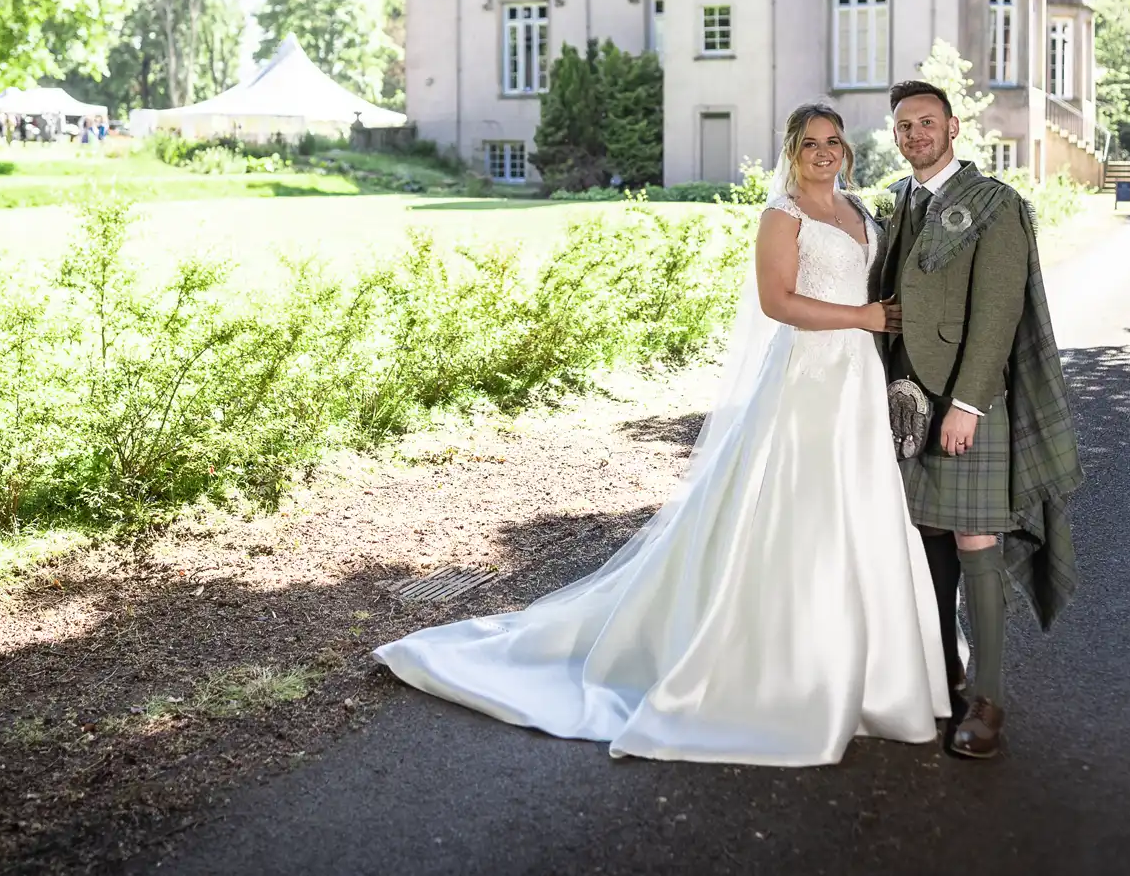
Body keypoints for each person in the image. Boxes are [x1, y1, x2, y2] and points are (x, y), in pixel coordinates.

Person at [375, 103, 948, 764]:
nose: (824, 151)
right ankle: (788, 670)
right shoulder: (782, 215)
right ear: (792, 152)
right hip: (806, 382)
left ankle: (879, 669)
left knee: (861, 512)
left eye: (834, 141)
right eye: (811, 142)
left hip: (856, 379)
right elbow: (778, 303)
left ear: (846, 150)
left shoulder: (858, 210)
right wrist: (864, 314)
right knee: (803, 511)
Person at [871, 80, 1083, 760]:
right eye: (904, 126)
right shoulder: (901, 200)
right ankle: (945, 674)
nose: (915, 135)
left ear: (954, 127)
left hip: (968, 402)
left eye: (927, 122)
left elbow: (998, 314)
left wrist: (966, 404)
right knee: (926, 534)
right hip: (904, 400)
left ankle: (987, 700)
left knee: (975, 537)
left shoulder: (995, 205)